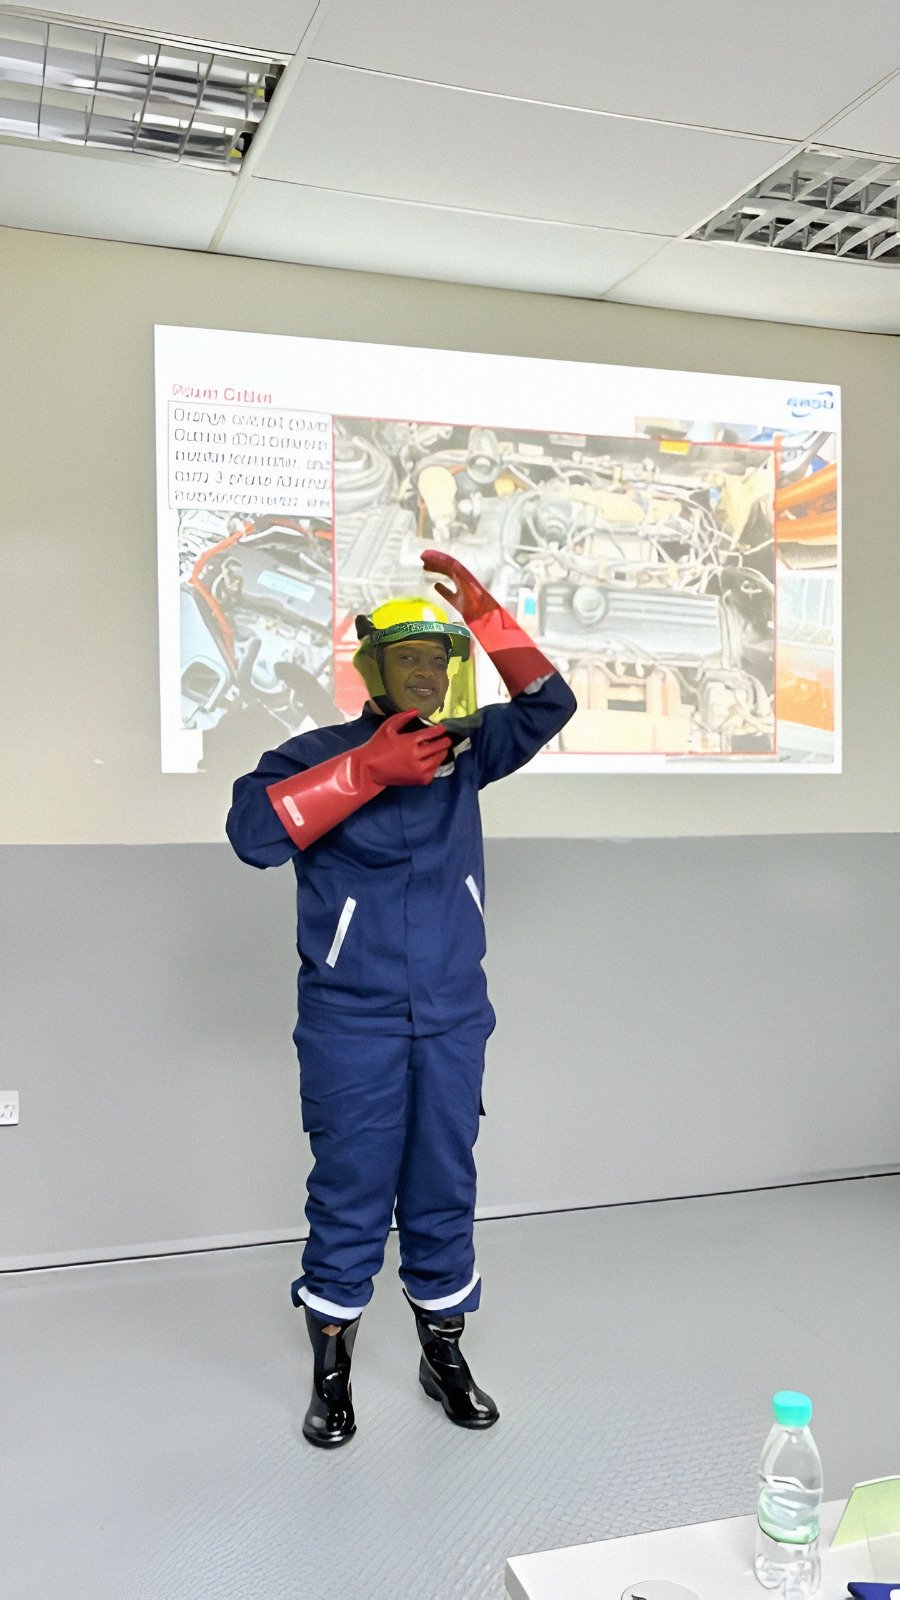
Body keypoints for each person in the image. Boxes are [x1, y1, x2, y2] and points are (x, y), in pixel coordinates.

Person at [226, 550, 576, 1447]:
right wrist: (365, 772)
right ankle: (331, 1372)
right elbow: (253, 834)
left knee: (443, 1183)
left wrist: (490, 618)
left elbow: (550, 706)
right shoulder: (313, 755)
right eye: (408, 659)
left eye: (438, 659)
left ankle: (441, 1354)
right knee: (350, 1188)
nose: (426, 674)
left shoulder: (463, 750)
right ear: (373, 671)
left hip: (453, 1015)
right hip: (352, 1020)